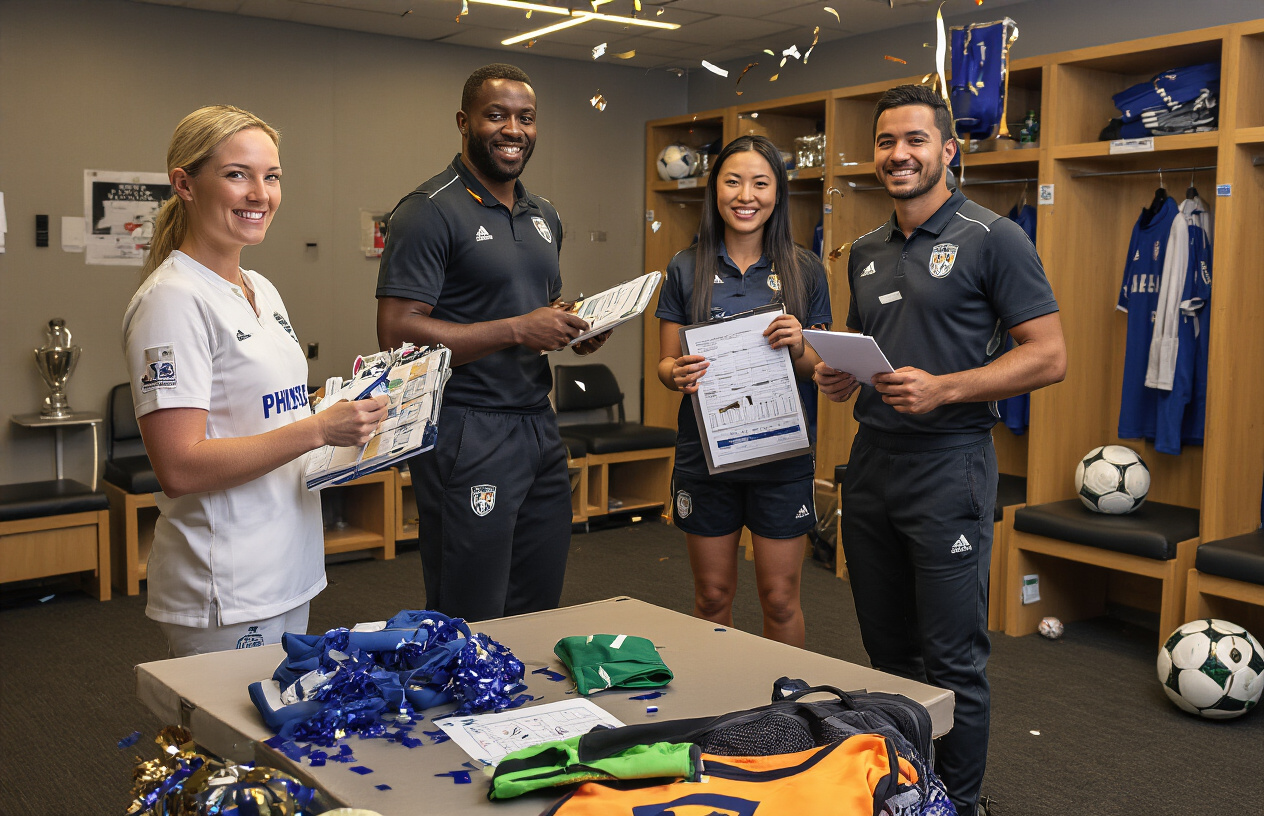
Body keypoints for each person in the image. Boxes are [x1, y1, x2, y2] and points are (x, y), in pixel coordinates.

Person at [814, 85, 1066, 816]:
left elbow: (1049, 355)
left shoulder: (995, 237)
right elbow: (871, 348)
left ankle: (962, 803)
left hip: (951, 466)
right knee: (888, 653)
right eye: (886, 141)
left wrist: (947, 388)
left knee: (953, 660)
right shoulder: (865, 250)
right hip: (871, 465)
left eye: (915, 140)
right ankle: (910, 792)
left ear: (948, 151)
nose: (899, 154)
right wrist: (840, 374)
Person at [123, 105, 388, 657]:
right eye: (237, 174)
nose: (260, 194)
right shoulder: (172, 300)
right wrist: (319, 428)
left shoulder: (259, 287)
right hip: (228, 582)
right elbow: (179, 467)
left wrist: (335, 408)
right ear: (185, 185)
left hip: (288, 564)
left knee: (281, 713)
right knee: (231, 719)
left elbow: (263, 409)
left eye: (272, 176)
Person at [376, 64, 609, 622]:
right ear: (464, 122)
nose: (513, 130)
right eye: (496, 115)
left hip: (538, 425)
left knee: (537, 602)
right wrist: (518, 329)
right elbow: (396, 332)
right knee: (471, 606)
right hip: (465, 426)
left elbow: (539, 307)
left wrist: (575, 328)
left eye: (526, 118)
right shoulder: (428, 210)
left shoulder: (544, 214)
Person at [656, 134, 832, 648]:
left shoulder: (805, 268)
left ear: (778, 193)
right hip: (707, 457)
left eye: (760, 183)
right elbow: (665, 364)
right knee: (712, 596)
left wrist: (799, 344)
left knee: (780, 598)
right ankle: (720, 694)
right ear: (716, 189)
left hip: (781, 457)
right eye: (733, 181)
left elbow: (818, 368)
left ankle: (788, 697)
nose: (746, 195)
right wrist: (676, 373)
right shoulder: (685, 266)